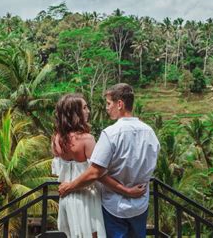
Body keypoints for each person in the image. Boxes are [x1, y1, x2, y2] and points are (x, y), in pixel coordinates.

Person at [59, 84, 160, 238]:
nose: (106, 108)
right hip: (140, 203)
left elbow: (95, 172)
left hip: (114, 207)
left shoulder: (110, 134)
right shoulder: (150, 132)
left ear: (120, 104)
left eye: (108, 104)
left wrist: (70, 186)